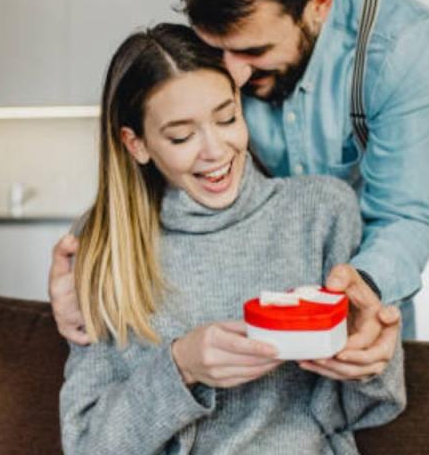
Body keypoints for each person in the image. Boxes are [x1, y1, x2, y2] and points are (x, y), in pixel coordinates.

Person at [50, 0, 429, 377]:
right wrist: (90, 263)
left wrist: (361, 293)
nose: (234, 75)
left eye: (255, 50)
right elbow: (162, 157)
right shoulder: (224, 50)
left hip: (361, 283)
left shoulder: (400, 46)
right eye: (217, 51)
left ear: (319, 3)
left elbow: (406, 214)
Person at [60, 23, 404, 454]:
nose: (215, 150)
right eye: (182, 136)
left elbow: (364, 409)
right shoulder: (104, 245)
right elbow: (87, 445)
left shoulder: (321, 212)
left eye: (227, 118)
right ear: (137, 144)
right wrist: (180, 367)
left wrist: (369, 360)